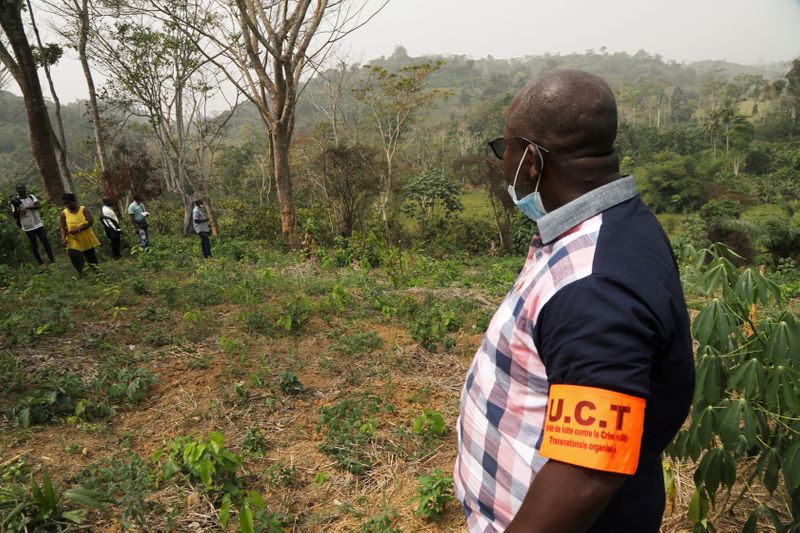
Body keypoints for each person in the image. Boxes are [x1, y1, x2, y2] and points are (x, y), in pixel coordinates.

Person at [454, 70, 695, 533]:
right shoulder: (614, 224)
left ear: (529, 160)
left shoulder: (595, 288)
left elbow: (586, 472)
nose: (502, 161)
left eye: (503, 147)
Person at [11, 184, 55, 265]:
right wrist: (19, 211)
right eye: (19, 188)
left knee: (45, 241)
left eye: (23, 188)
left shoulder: (31, 196)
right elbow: (14, 215)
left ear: (25, 188)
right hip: (28, 226)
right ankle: (40, 263)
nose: (22, 189)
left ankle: (52, 260)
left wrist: (28, 208)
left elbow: (39, 206)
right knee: (34, 245)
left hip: (38, 223)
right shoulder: (15, 201)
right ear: (17, 190)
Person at [60, 193, 101, 276]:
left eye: (68, 203)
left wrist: (78, 229)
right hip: (72, 238)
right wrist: (63, 239)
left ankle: (97, 272)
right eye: (65, 203)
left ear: (73, 201)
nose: (67, 205)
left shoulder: (83, 209)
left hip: (85, 237)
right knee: (73, 254)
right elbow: (62, 227)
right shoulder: (63, 213)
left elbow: (90, 222)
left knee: (90, 256)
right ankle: (81, 272)